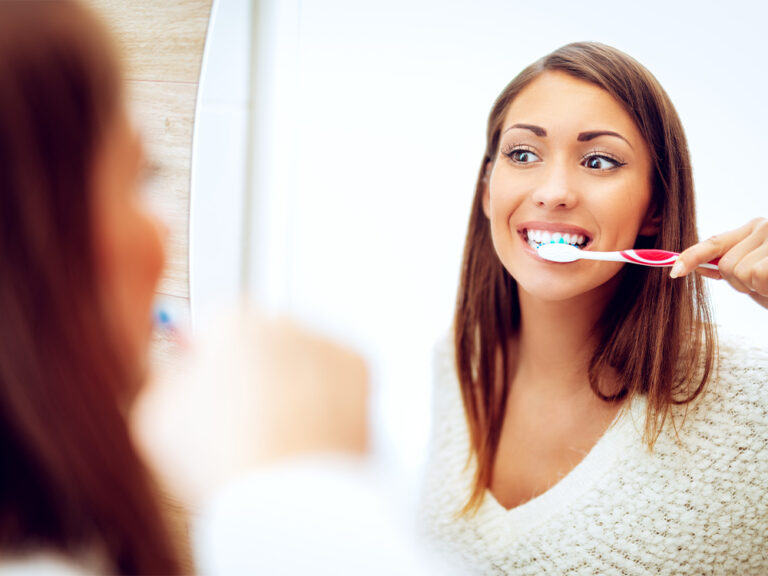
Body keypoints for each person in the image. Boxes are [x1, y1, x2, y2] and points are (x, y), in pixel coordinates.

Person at [420, 42, 768, 574]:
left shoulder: (752, 401)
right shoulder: (459, 360)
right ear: (488, 187)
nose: (554, 191)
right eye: (522, 154)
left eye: (599, 161)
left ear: (654, 208)